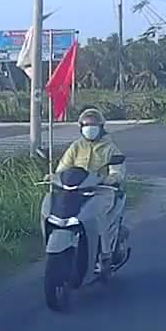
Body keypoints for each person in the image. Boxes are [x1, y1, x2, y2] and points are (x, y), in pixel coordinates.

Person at [55, 108, 126, 271]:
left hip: (102, 191)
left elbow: (117, 172)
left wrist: (111, 178)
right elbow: (63, 168)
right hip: (77, 192)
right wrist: (55, 177)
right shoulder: (76, 147)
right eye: (87, 125)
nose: (90, 128)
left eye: (94, 125)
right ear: (81, 127)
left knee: (99, 218)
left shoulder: (110, 148)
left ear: (101, 127)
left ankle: (105, 256)